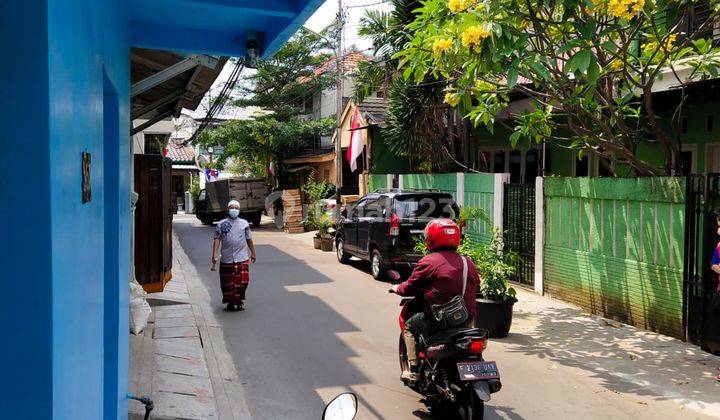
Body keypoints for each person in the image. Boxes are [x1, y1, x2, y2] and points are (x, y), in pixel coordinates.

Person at [390, 218, 480, 382]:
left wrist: (397, 288)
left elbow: (409, 287)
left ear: (430, 238)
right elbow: (477, 287)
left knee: (409, 326)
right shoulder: (468, 262)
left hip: (439, 322)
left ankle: (414, 369)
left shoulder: (429, 261)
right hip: (467, 321)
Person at [211, 200, 257, 311]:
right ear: (227, 209)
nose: (234, 210)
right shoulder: (221, 224)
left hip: (242, 257)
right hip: (227, 258)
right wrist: (214, 254)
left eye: (236, 208)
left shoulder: (244, 224)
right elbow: (217, 239)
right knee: (228, 283)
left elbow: (248, 239)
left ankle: (239, 300)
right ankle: (230, 302)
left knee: (243, 282)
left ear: (239, 210)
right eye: (232, 207)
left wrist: (253, 253)